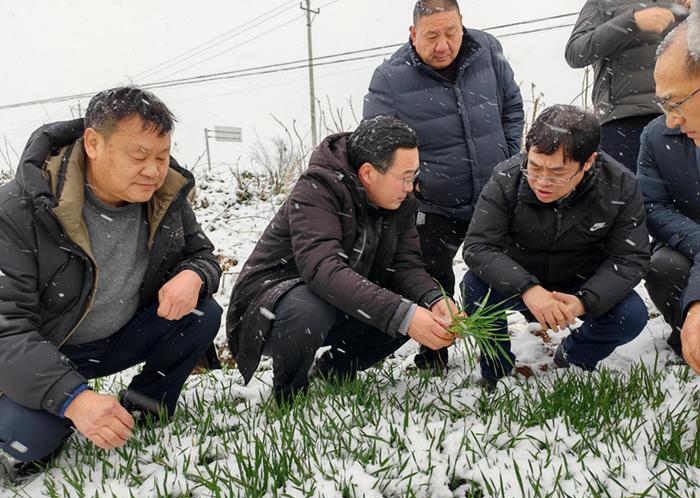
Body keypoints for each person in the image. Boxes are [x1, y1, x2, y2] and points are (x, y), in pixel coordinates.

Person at [0, 87, 222, 482]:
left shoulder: (164, 196)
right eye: (139, 156)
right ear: (93, 143)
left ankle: (142, 407)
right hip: (49, 349)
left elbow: (202, 254)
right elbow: (6, 330)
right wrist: (72, 398)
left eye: (162, 156)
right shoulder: (20, 211)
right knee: (30, 438)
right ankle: (54, 415)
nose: (153, 171)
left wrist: (194, 275)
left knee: (202, 312)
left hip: (119, 338)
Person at [226, 116, 458, 401]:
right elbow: (323, 269)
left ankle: (334, 370)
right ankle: (289, 395)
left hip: (337, 300)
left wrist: (433, 299)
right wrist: (403, 315)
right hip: (269, 307)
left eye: (414, 176)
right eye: (405, 177)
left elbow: (405, 265)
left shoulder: (401, 203)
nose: (410, 187)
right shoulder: (317, 189)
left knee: (413, 308)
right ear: (369, 173)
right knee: (312, 306)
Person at [363, 0, 524, 371]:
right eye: (431, 36)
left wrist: (509, 153)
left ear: (462, 25)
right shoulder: (389, 77)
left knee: (491, 273)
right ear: (412, 34)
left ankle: (496, 357)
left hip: (492, 194)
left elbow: (512, 106)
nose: (443, 45)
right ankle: (434, 351)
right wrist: (414, 178)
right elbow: (377, 139)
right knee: (432, 276)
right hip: (433, 202)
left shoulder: (487, 48)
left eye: (451, 33)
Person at [462, 104, 650, 387]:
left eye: (558, 172)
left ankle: (575, 356)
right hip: (518, 277)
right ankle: (496, 366)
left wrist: (583, 301)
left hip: (581, 280)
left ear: (588, 162)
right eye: (534, 167)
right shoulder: (506, 178)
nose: (542, 181)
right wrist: (527, 288)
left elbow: (630, 258)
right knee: (473, 287)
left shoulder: (621, 185)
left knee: (631, 315)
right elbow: (478, 246)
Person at [565, 0, 691, 172]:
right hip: (624, 120)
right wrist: (632, 21)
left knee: (688, 195)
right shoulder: (602, 3)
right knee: (625, 194)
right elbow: (576, 52)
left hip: (683, 117)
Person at [640, 21, 700, 374]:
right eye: (663, 104)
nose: (671, 120)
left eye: (676, 102)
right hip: (687, 238)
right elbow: (652, 206)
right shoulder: (657, 137)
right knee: (663, 265)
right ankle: (685, 337)